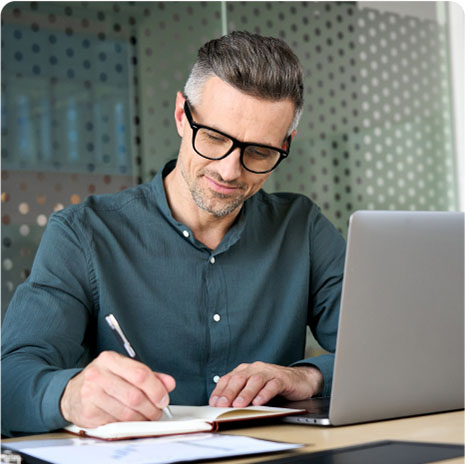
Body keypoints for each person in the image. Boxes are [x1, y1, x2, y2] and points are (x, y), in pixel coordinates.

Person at [1, 31, 345, 436]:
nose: (229, 171)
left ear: (285, 145)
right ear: (183, 115)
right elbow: (10, 381)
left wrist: (309, 376)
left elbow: (387, 353)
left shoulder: (301, 227)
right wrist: (68, 396)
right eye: (214, 138)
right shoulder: (83, 234)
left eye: (259, 152)